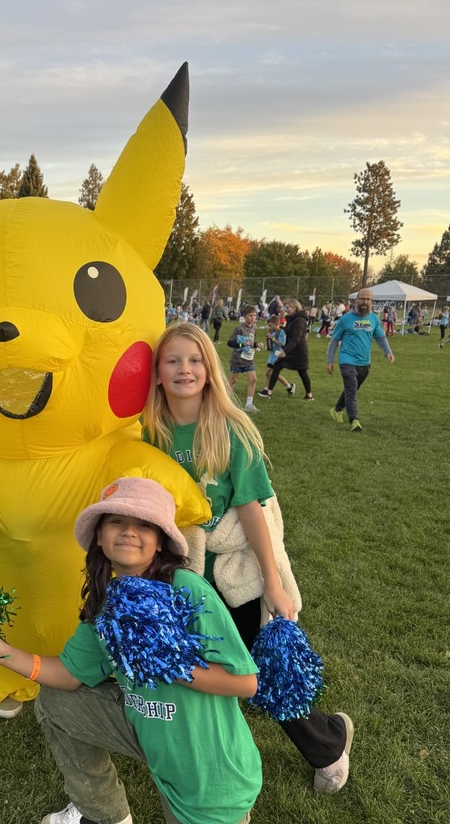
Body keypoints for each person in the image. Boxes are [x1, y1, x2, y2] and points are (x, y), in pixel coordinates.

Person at [0, 476, 394, 824]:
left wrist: (170, 663)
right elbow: (71, 676)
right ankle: (102, 811)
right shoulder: (108, 601)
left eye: (143, 524)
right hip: (152, 733)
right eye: (116, 521)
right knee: (56, 701)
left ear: (161, 540)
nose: (129, 531)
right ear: (98, 536)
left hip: (207, 773)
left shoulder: (188, 590)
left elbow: (246, 682)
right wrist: (3, 652)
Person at [144, 322, 353, 793]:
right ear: (157, 373)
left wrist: (273, 581)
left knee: (262, 662)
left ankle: (329, 743)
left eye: (195, 360)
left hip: (232, 562)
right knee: (193, 665)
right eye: (173, 360)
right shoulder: (148, 431)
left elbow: (252, 512)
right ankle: (200, 756)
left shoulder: (230, 428)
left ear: (210, 369)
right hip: (181, 566)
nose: (185, 369)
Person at [327, 287, 394, 432]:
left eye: (368, 299)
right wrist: (330, 360)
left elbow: (380, 337)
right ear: (356, 300)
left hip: (364, 362)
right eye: (363, 298)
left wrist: (387, 351)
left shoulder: (374, 319)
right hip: (347, 360)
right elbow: (334, 340)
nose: (365, 301)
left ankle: (337, 410)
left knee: (351, 389)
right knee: (352, 391)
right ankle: (354, 420)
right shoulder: (345, 320)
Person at [257, 298, 313, 400]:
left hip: (298, 351)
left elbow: (296, 338)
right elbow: (287, 332)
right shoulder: (292, 319)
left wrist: (284, 351)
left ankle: (309, 395)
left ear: (295, 307)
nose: (285, 309)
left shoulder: (300, 320)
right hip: (291, 348)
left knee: (302, 372)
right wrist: (279, 325)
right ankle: (268, 392)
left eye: (287, 307)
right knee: (277, 366)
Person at [227, 306, 262, 413]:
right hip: (237, 359)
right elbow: (230, 343)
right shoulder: (239, 328)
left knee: (253, 379)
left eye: (254, 315)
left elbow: (251, 342)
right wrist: (242, 344)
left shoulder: (254, 327)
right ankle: (224, 400)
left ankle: (249, 404)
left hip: (248, 359)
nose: (253, 317)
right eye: (250, 315)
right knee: (233, 380)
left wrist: (257, 345)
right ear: (244, 316)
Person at [257, 314, 295, 398]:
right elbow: (271, 343)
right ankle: (288, 387)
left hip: (278, 356)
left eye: (270, 325)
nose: (268, 327)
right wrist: (268, 347)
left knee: (270, 373)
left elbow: (282, 343)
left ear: (276, 324)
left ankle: (268, 390)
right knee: (270, 374)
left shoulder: (281, 332)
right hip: (272, 355)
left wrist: (273, 339)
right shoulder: (272, 332)